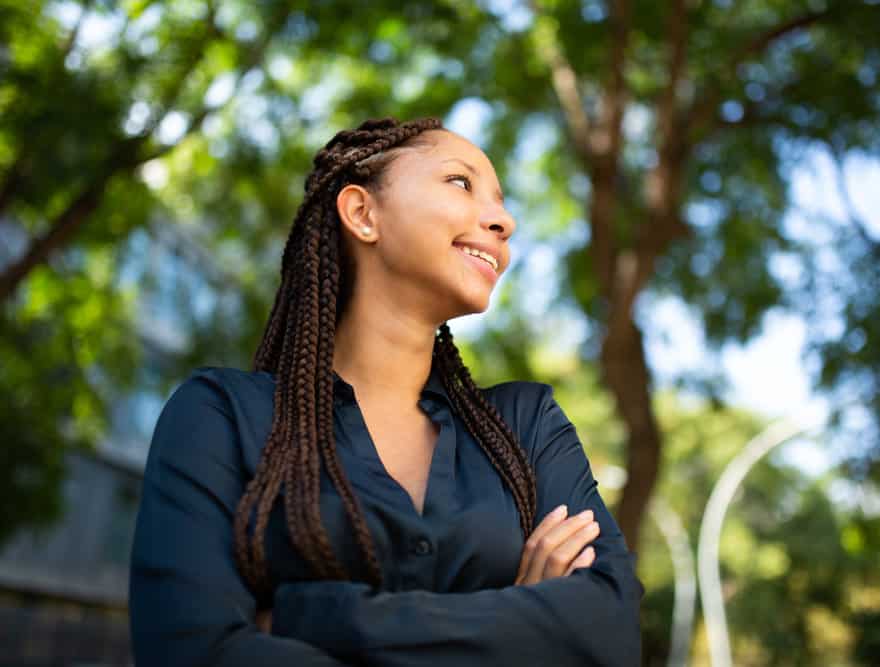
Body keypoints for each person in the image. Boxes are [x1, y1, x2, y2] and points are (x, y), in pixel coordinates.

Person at [128, 116, 644, 666]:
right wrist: (518, 625)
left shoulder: (529, 427)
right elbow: (194, 651)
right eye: (461, 182)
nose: (504, 220)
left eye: (501, 201)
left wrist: (313, 618)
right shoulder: (222, 417)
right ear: (362, 213)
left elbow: (609, 633)